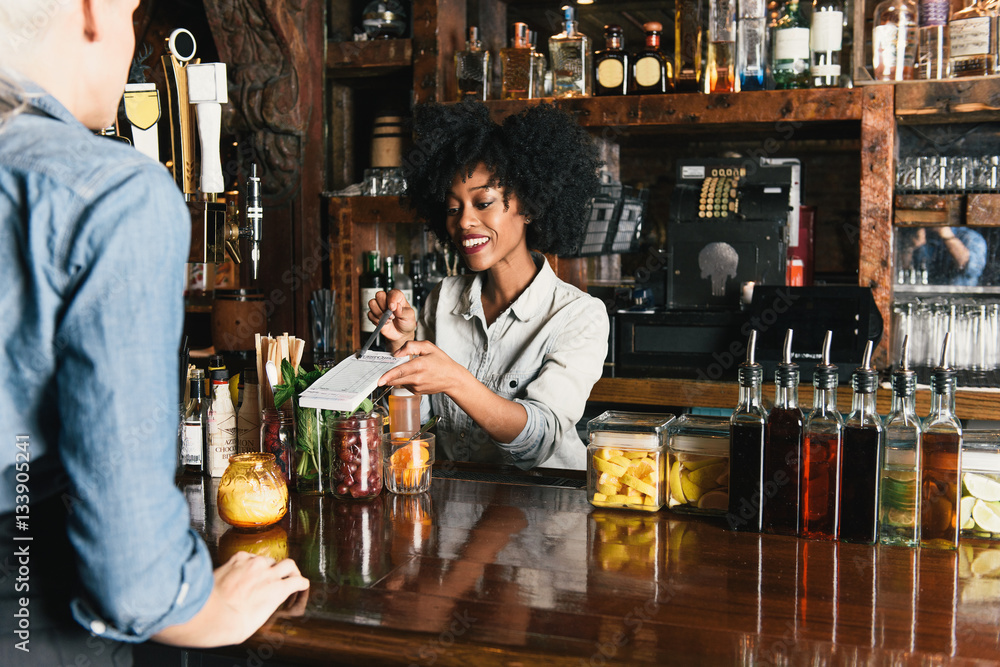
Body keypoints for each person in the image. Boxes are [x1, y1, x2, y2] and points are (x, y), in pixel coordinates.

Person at [0, 1, 308, 664]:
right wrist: (192, 606)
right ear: (90, 10)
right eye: (133, 10)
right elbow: (131, 571)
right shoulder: (110, 193)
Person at [369, 101, 609, 470]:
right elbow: (414, 431)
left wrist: (453, 380)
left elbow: (539, 441)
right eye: (452, 208)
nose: (464, 221)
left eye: (483, 202)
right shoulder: (443, 298)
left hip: (546, 508)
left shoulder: (578, 316)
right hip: (458, 506)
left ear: (528, 206)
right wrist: (401, 346)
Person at [903, 225, 988, 286]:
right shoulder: (922, 235)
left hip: (960, 301)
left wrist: (947, 236)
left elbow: (971, 268)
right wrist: (911, 247)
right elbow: (906, 271)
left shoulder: (970, 237)